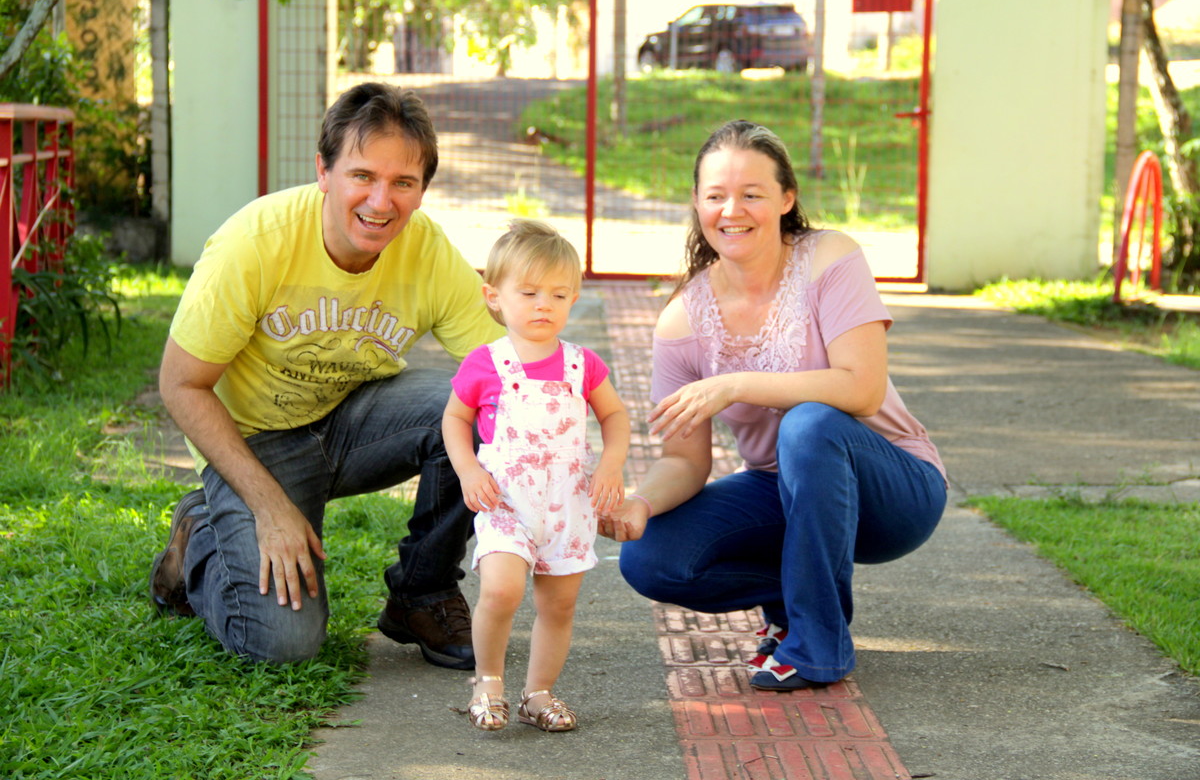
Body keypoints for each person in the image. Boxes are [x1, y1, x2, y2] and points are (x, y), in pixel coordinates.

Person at [149, 82, 505, 667]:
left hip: (352, 421)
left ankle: (422, 592)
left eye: (403, 182)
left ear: (421, 190)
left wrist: (576, 456)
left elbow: (504, 373)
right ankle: (200, 536)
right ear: (324, 170)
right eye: (362, 175)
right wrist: (267, 504)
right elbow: (180, 384)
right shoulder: (254, 244)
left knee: (476, 409)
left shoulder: (427, 251)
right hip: (254, 442)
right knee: (281, 643)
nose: (381, 200)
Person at [601, 120, 947, 691]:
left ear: (786, 199)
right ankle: (796, 606)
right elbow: (685, 461)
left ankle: (817, 646)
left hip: (893, 486)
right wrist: (640, 503)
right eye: (715, 196)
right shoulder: (682, 321)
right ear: (697, 203)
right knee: (652, 559)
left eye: (751, 194)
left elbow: (861, 388)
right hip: (779, 490)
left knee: (810, 425)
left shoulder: (828, 258)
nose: (731, 210)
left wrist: (737, 383)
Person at [442, 220, 630, 731]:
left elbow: (614, 417)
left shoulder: (582, 365)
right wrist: (467, 469)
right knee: (501, 591)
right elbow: (455, 420)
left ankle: (538, 693)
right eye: (528, 292)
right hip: (505, 502)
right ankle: (488, 682)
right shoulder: (485, 364)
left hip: (567, 505)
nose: (543, 304)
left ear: (573, 299)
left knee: (560, 604)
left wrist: (611, 464)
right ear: (495, 296)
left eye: (558, 294)